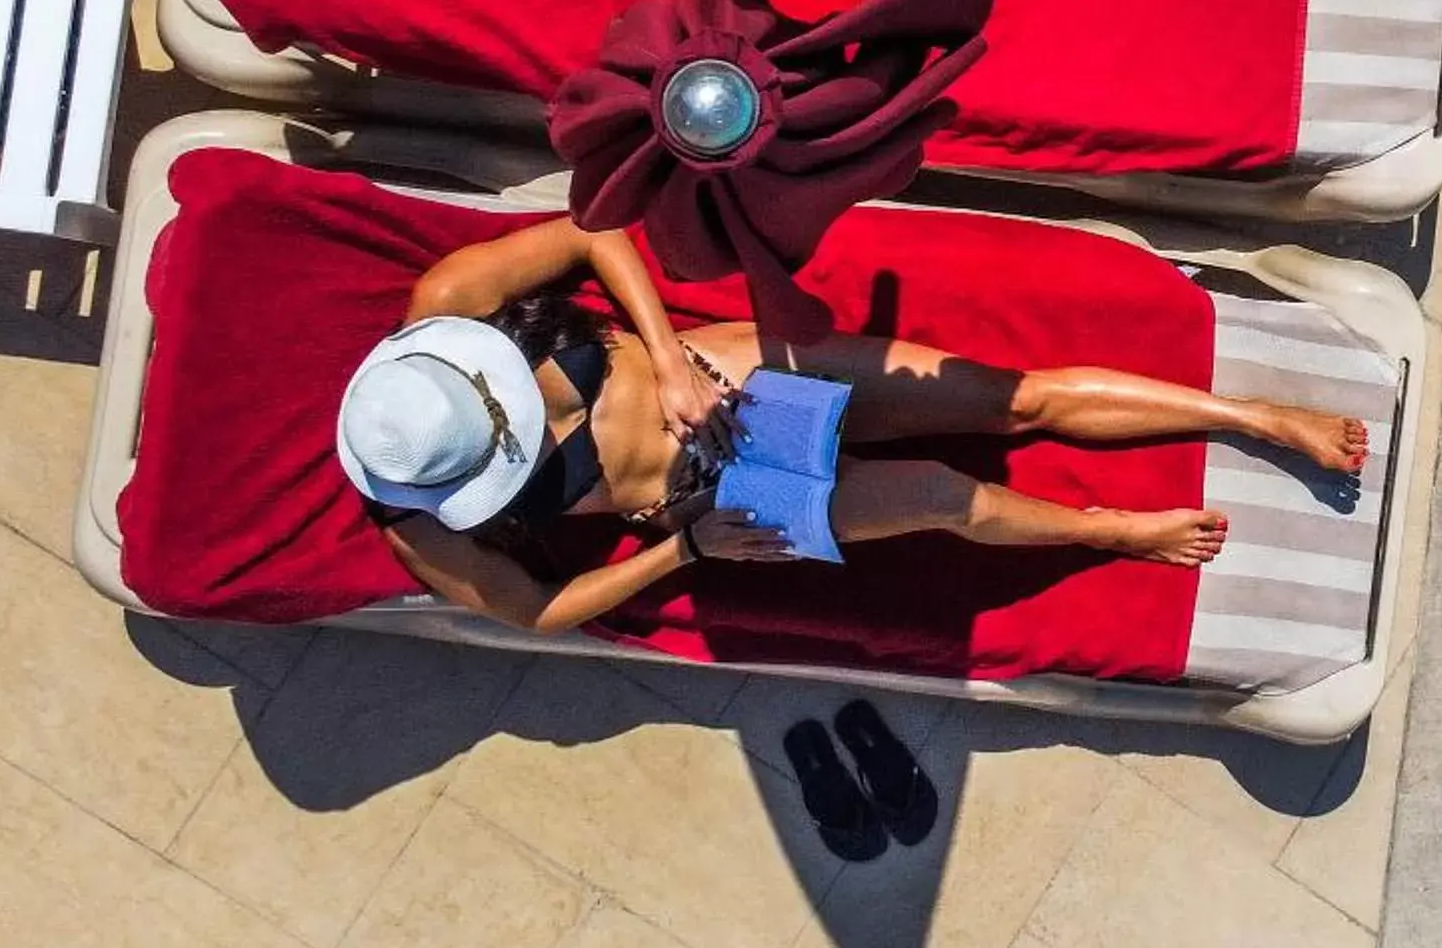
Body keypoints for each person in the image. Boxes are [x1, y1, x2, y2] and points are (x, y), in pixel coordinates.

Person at [334, 218, 1371, 636]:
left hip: (713, 372)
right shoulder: (413, 520)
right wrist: (684, 552)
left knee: (1009, 397)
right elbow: (534, 611)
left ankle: (1250, 413)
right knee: (933, 499)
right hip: (705, 502)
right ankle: (1112, 529)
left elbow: (591, 228)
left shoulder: (447, 303)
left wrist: (656, 352)